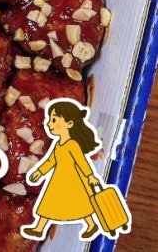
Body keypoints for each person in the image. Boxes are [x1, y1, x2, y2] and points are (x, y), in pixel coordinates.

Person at [21, 99, 101, 241]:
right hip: (58, 178)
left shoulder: (72, 145)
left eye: (54, 120)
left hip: (73, 178)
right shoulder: (59, 144)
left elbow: (81, 162)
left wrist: (90, 176)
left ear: (69, 124)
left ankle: (91, 224)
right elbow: (51, 161)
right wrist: (39, 172)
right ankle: (38, 228)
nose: (49, 123)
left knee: (80, 203)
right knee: (48, 203)